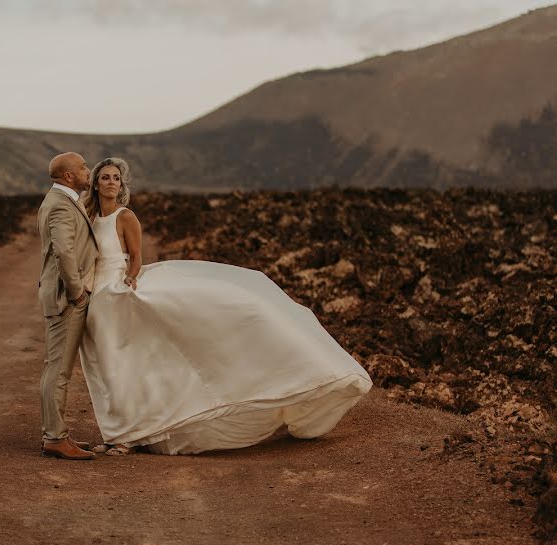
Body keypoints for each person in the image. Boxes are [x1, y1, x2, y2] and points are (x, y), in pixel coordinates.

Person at [78, 157, 373, 456]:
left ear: (121, 185)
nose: (111, 182)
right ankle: (118, 432)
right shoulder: (89, 217)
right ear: (96, 184)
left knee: (128, 365)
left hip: (118, 290)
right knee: (108, 367)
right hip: (98, 296)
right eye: (105, 178)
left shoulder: (126, 217)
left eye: (116, 178)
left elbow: (137, 257)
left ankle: (127, 437)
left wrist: (128, 280)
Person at [36, 152, 99, 460]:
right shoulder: (61, 204)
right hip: (66, 298)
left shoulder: (61, 199)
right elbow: (63, 252)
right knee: (58, 370)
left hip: (61, 295)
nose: (89, 171)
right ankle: (55, 437)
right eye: (83, 167)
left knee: (56, 367)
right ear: (69, 176)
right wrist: (77, 293)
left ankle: (55, 432)